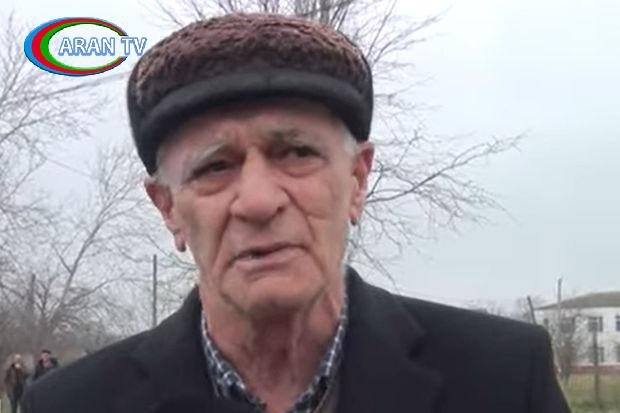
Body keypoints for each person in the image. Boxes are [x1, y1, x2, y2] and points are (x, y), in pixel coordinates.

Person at [22, 13, 570, 413]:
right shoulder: (70, 405)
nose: (259, 201)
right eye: (215, 167)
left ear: (357, 180)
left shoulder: (503, 379)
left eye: (297, 153)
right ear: (167, 208)